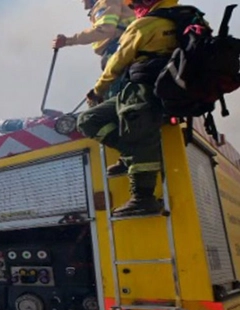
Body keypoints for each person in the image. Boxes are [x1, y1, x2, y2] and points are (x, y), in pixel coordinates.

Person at [76, 0, 181, 217]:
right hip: (173, 88)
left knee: (134, 133)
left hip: (143, 90)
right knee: (90, 120)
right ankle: (130, 155)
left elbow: (118, 61)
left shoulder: (144, 24)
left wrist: (97, 91)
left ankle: (143, 198)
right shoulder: (189, 19)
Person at [54, 0, 136, 74]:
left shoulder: (106, 2)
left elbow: (104, 30)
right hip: (125, 46)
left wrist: (68, 41)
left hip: (120, 48)